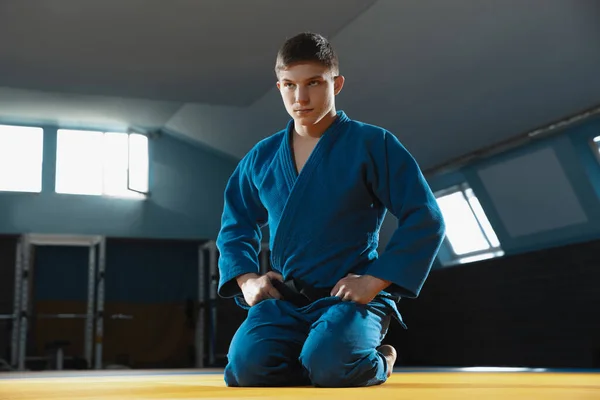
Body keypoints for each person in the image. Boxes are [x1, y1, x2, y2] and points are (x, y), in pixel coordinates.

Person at [215, 32, 445, 388]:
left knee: (332, 365)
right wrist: (247, 280)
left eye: (314, 83)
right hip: (286, 300)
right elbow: (235, 224)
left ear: (336, 83)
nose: (300, 97)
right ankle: (311, 357)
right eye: (290, 85)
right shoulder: (261, 157)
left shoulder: (373, 144)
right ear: (279, 87)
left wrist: (373, 281)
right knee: (246, 370)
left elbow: (425, 217)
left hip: (352, 299)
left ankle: (380, 359)